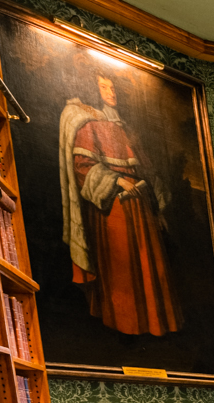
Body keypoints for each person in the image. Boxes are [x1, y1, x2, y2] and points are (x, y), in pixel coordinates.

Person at [59, 73, 182, 336]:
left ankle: (156, 325)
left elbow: (145, 168)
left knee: (151, 265)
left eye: (113, 87)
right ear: (93, 90)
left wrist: (157, 207)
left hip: (141, 206)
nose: (111, 92)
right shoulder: (87, 123)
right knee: (122, 266)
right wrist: (116, 181)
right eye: (104, 87)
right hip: (113, 207)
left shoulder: (122, 126)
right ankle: (125, 327)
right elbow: (82, 166)